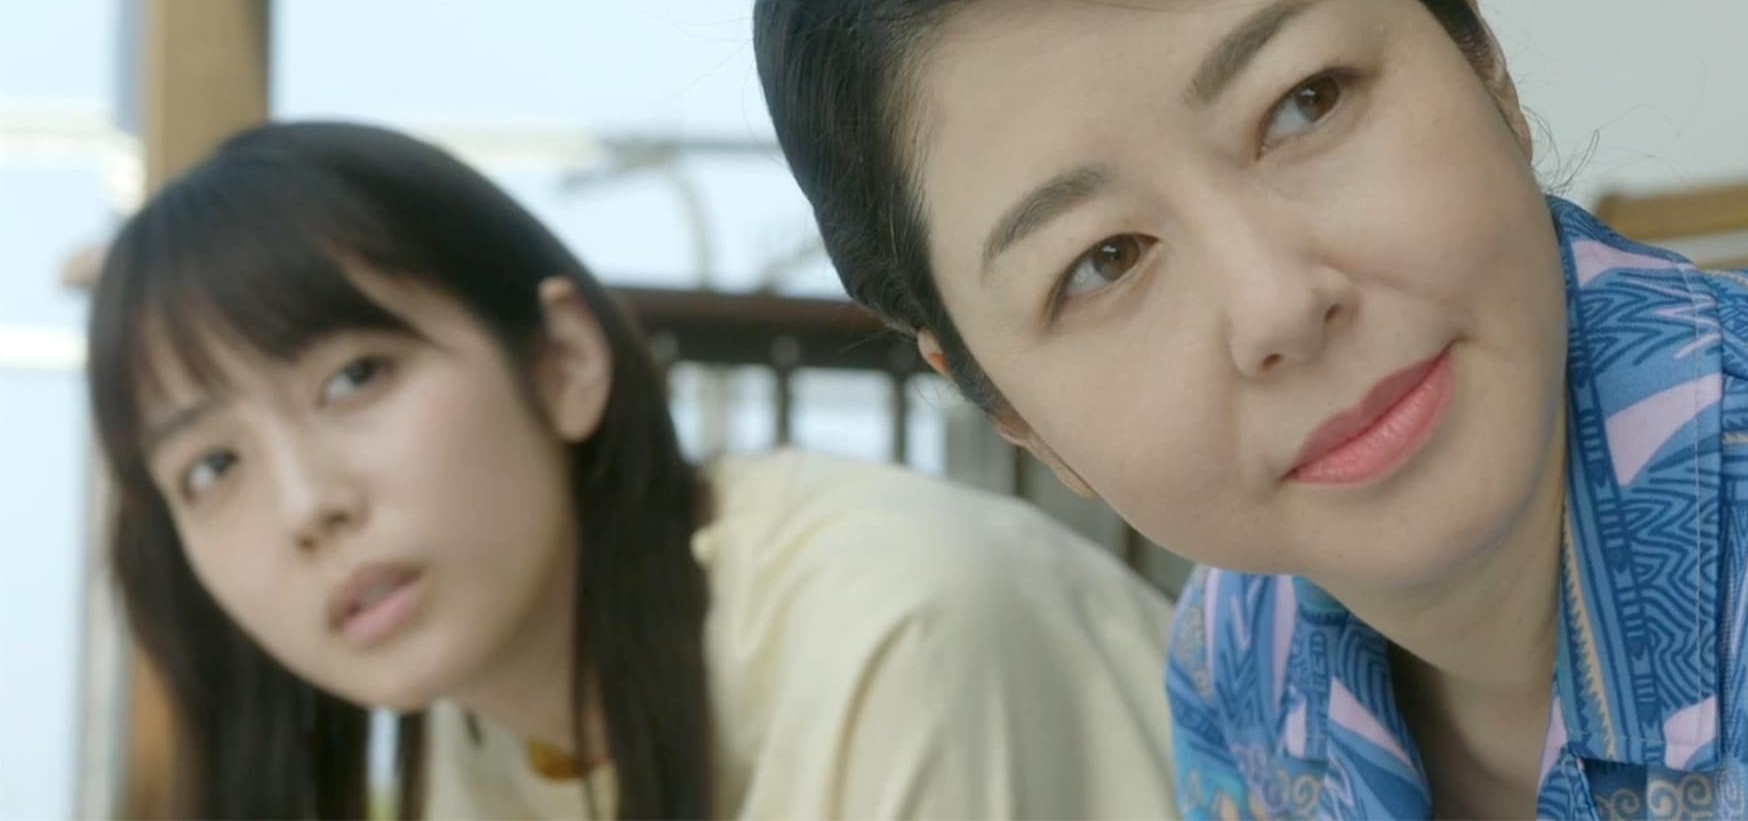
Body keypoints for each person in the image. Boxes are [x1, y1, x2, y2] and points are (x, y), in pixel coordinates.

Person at [751, 0, 1748, 816]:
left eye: (1305, 103)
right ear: (1012, 410)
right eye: (1105, 260)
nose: (1277, 303)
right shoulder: (1243, 660)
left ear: (1478, 51)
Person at [85, 120, 1177, 819]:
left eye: (354, 376)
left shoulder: (899, 623)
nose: (306, 504)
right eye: (211, 464)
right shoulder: (480, 734)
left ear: (562, 361)